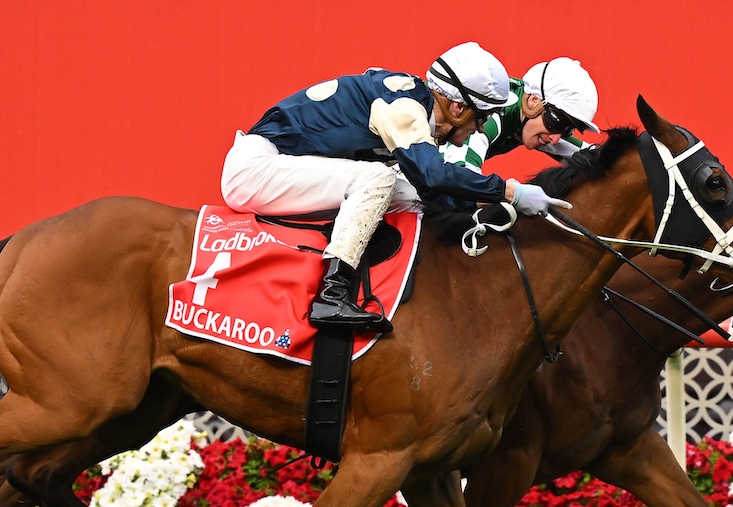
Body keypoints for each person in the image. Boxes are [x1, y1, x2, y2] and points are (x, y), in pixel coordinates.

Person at [220, 42, 571, 334]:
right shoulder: (405, 107)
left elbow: (429, 192)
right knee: (379, 178)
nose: (479, 129)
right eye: (480, 118)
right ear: (458, 107)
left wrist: (488, 208)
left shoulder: (413, 104)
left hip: (280, 167)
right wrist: (511, 192)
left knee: (410, 193)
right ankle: (332, 295)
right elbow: (434, 175)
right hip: (256, 168)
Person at [441, 57, 600, 173]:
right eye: (557, 122)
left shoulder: (534, 121)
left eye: (567, 130)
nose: (556, 138)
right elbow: (458, 171)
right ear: (534, 101)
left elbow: (600, 158)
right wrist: (508, 194)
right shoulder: (494, 112)